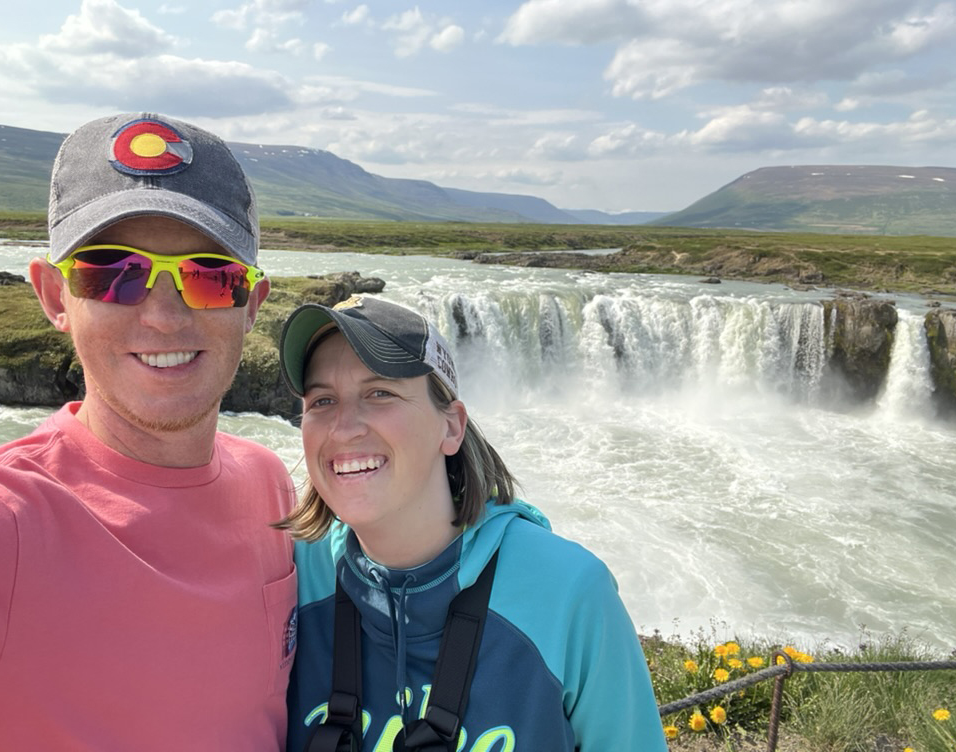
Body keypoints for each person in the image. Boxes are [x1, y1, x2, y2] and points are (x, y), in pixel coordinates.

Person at [0, 112, 298, 750]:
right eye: (113, 273)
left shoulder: (270, 485)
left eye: (209, 276)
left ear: (251, 304)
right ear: (55, 296)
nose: (164, 318)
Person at [276, 295, 668, 751]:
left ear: (452, 427)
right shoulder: (289, 576)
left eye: (379, 392)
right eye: (322, 400)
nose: (343, 429)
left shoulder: (570, 594)